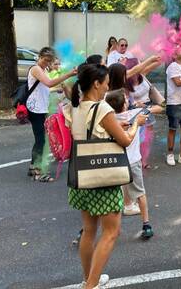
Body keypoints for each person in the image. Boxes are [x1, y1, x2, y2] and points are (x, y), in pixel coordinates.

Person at [64, 63, 145, 289]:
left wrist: (118, 124)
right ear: (96, 84)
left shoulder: (76, 107)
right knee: (111, 231)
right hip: (103, 178)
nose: (108, 88)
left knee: (89, 231)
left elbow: (92, 132)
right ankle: (91, 285)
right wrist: (136, 124)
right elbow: (126, 141)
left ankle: (88, 279)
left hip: (82, 177)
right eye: (106, 84)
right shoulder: (102, 109)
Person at [105, 90, 159, 240]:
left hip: (115, 162)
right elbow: (160, 106)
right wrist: (143, 106)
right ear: (124, 104)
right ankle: (146, 224)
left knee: (115, 194)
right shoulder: (136, 114)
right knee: (140, 193)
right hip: (133, 161)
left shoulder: (108, 119)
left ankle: (113, 228)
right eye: (126, 100)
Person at [26, 47, 77, 182]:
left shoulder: (43, 70)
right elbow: (48, 83)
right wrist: (69, 74)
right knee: (41, 140)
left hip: (41, 108)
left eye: (49, 61)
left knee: (40, 139)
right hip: (34, 108)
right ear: (39, 57)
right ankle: (37, 171)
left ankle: (33, 167)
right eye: (45, 60)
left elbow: (45, 88)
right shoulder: (36, 69)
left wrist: (59, 88)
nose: (47, 63)